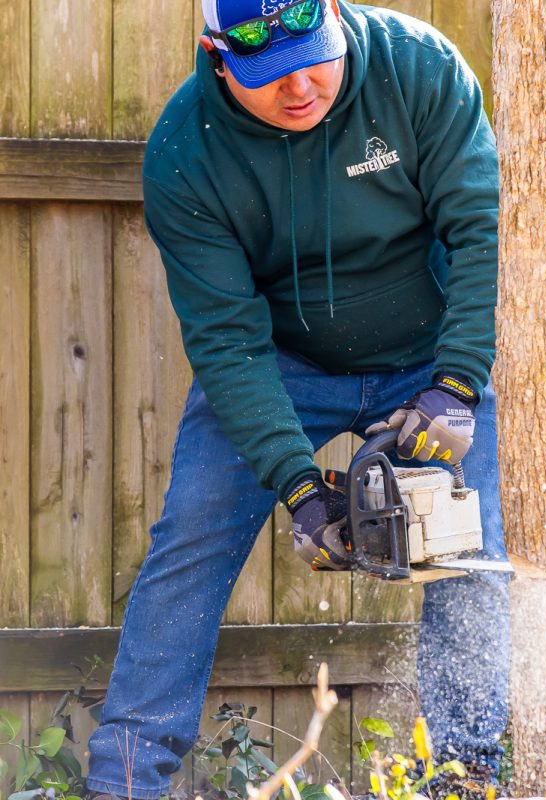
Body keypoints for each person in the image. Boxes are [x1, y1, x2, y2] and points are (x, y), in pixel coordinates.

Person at [85, 0, 510, 797]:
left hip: (429, 358)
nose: (300, 86)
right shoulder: (185, 154)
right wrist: (300, 487)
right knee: (191, 547)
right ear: (218, 57)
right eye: (267, 75)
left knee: (473, 557)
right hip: (279, 364)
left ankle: (465, 774)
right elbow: (226, 340)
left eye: (314, 56)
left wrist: (456, 383)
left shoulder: (417, 67)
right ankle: (125, 779)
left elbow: (478, 227)